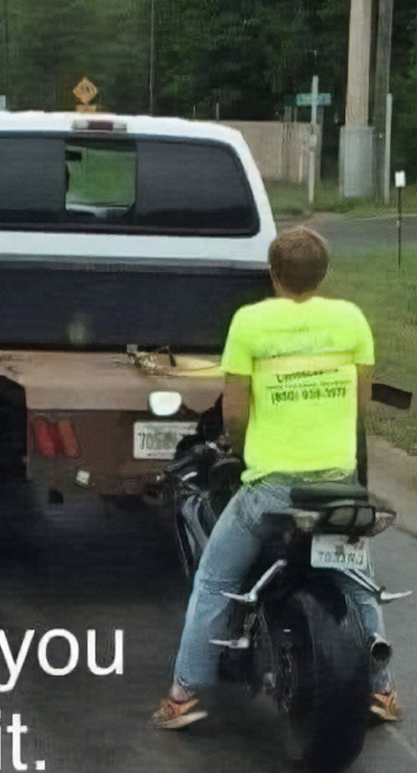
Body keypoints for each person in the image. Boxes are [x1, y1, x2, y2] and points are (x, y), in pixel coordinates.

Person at [153, 226, 400, 729]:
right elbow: (360, 404)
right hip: (337, 484)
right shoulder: (352, 319)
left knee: (215, 580)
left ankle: (183, 695)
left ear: (273, 275)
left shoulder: (250, 323)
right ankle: (384, 692)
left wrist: (238, 450)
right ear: (325, 273)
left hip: (273, 491)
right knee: (359, 584)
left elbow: (235, 411)